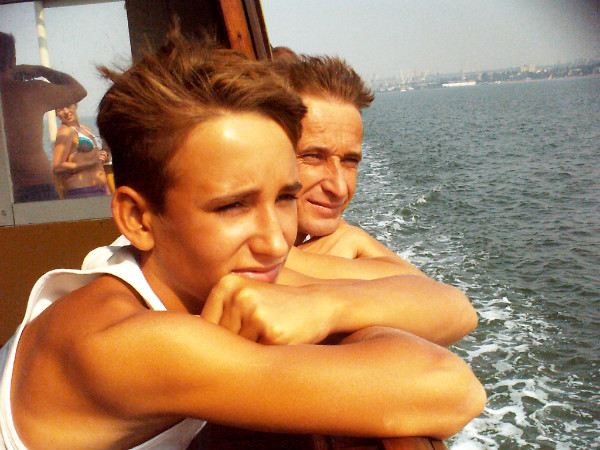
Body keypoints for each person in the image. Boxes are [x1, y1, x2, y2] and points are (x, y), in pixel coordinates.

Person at [0, 31, 485, 450]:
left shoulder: (196, 267)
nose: (276, 243)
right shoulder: (129, 345)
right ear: (139, 219)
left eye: (285, 197)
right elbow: (449, 388)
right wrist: (343, 315)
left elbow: (453, 308)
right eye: (233, 206)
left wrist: (323, 307)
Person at [271, 54, 428, 278]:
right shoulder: (233, 265)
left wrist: (351, 239)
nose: (339, 188)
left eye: (349, 161)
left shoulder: (340, 238)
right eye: (313, 156)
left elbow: (436, 293)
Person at [0, 32, 86, 203]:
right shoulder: (30, 91)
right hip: (35, 185)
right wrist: (41, 70)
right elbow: (78, 90)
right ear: (13, 60)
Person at [53, 103, 110, 199]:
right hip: (83, 192)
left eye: (68, 106)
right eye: (60, 109)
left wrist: (105, 152)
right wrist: (91, 162)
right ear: (56, 114)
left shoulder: (85, 128)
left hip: (102, 189)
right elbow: (57, 167)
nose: (66, 111)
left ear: (75, 105)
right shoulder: (65, 132)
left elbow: (96, 159)